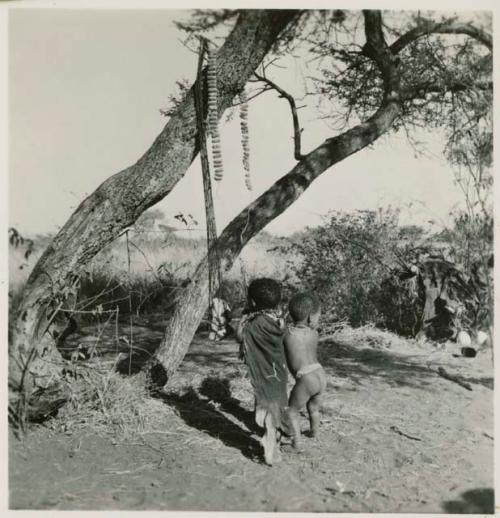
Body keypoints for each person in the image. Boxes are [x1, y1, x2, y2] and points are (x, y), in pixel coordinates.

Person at [237, 278, 288, 465]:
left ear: (252, 302)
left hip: (263, 371)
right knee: (278, 401)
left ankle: (270, 440)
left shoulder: (253, 324)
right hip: (279, 372)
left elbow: (240, 337)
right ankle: (275, 436)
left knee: (265, 402)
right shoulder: (279, 321)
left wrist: (243, 320)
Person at [284, 292, 326, 451]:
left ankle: (296, 444)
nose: (318, 319)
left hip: (306, 377)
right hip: (320, 374)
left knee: (292, 412)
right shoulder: (314, 334)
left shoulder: (287, 334)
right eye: (318, 316)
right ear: (310, 317)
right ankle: (314, 432)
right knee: (314, 408)